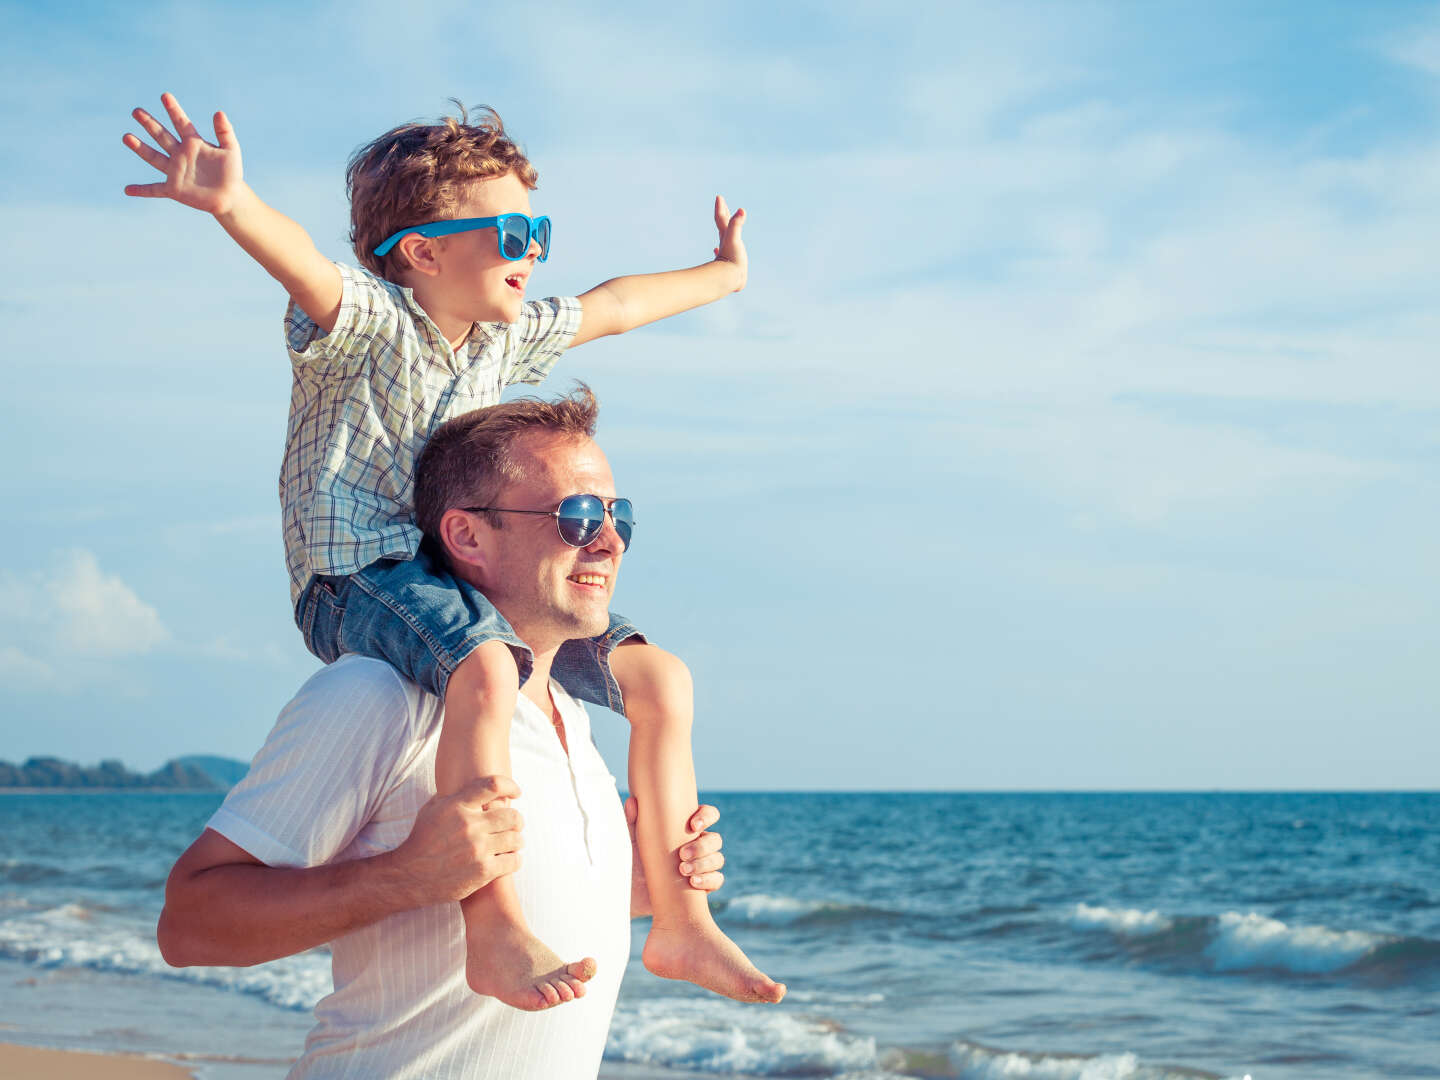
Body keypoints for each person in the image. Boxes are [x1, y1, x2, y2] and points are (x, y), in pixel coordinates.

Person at [123, 93, 782, 1009]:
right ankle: (494, 925)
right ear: (424, 251)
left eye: (539, 229)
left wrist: (725, 277)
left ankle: (681, 922)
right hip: (357, 575)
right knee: (484, 671)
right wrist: (233, 204)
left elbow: (617, 306)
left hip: (448, 577)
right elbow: (306, 267)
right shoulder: (365, 325)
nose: (535, 252)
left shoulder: (500, 343)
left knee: (661, 680)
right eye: (512, 234)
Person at [158, 387, 762, 1079]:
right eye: (577, 515)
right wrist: (401, 879)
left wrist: (631, 891)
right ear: (467, 535)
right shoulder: (379, 695)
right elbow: (188, 924)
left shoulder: (572, 717)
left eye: (617, 513)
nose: (610, 538)